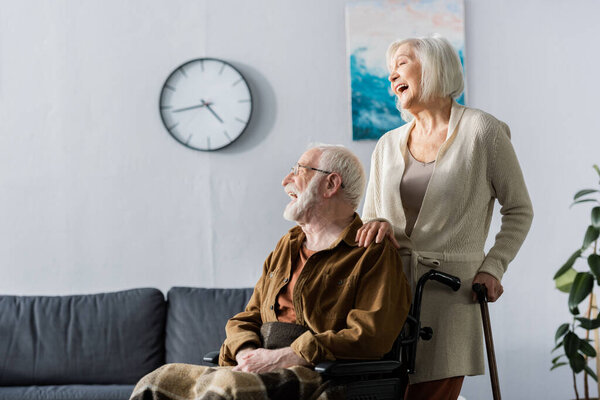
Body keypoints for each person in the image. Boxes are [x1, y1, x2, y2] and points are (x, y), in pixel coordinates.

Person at [130, 144, 411, 400]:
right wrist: (248, 354)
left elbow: (370, 335)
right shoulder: (287, 246)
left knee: (226, 390)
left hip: (319, 373)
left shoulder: (372, 252)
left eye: (298, 170)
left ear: (331, 184)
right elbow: (248, 317)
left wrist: (286, 357)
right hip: (257, 365)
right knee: (156, 381)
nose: (285, 180)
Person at [355, 36, 533, 400]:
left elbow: (519, 209)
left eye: (401, 63)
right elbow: (369, 219)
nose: (391, 76)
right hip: (387, 296)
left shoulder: (483, 131)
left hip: (452, 296)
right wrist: (379, 226)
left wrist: (493, 267)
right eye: (390, 70)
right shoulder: (387, 144)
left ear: (435, 66)